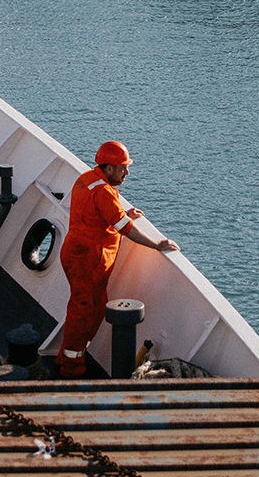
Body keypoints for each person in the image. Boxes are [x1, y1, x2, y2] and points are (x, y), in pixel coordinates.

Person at [56, 140, 178, 378]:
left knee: (96, 310)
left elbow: (98, 216)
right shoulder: (103, 191)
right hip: (86, 262)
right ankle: (71, 368)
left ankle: (69, 355)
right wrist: (156, 245)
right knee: (82, 313)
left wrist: (123, 213)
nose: (127, 173)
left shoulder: (87, 180)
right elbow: (125, 229)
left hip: (82, 257)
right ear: (109, 168)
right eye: (123, 168)